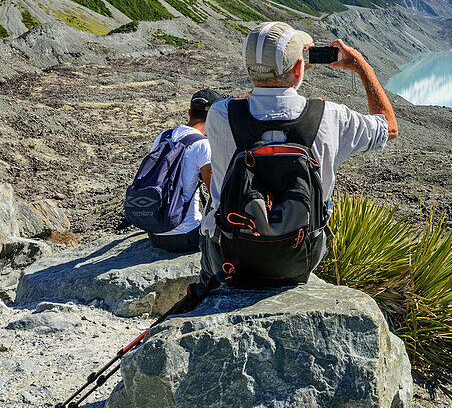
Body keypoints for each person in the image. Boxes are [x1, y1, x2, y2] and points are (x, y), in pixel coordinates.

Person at [198, 22, 398, 284]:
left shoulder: (219, 113)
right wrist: (362, 66)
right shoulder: (330, 116)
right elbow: (389, 127)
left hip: (229, 251)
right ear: (298, 67)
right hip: (301, 253)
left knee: (208, 266)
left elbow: (249, 107)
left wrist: (290, 74)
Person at [143, 89, 221, 253]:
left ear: (189, 112)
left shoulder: (163, 137)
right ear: (213, 117)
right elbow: (214, 193)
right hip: (186, 237)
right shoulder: (202, 145)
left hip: (155, 234)